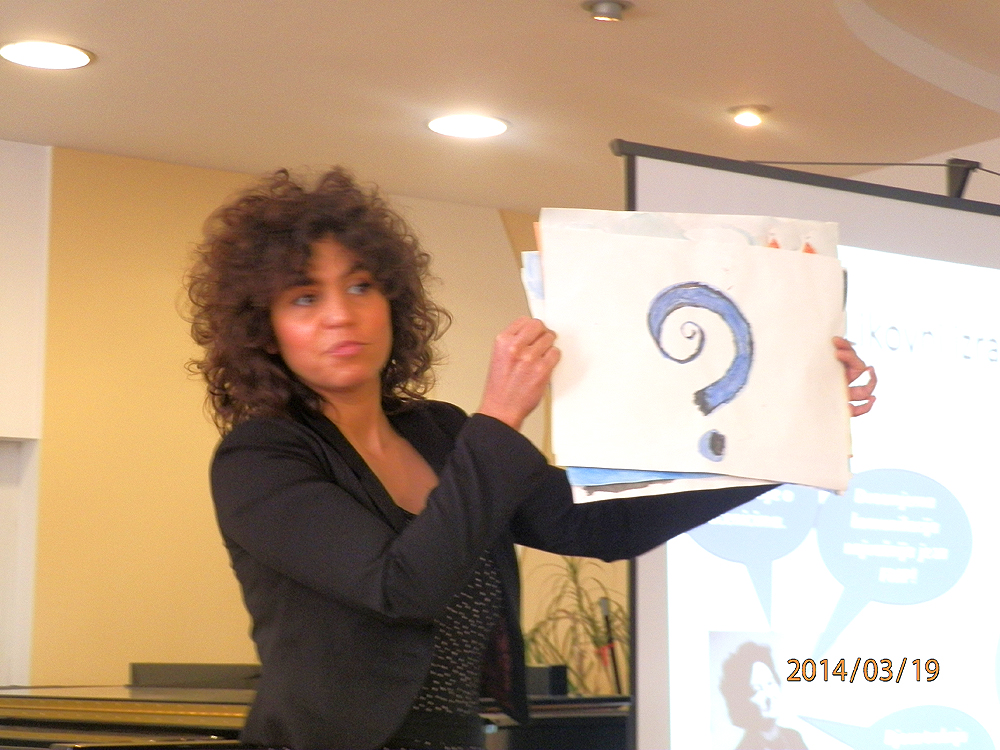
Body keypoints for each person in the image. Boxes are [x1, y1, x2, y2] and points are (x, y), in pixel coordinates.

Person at [186, 168, 876, 750]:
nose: (341, 314)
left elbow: (602, 525)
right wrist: (500, 418)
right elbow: (400, 588)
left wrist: (785, 436)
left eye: (361, 286)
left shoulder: (440, 432)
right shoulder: (260, 457)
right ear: (265, 331)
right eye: (306, 298)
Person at [719, 641, 807, 750]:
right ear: (742, 701)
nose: (769, 695)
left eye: (770, 683)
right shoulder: (745, 747)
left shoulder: (793, 738)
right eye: (757, 690)